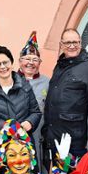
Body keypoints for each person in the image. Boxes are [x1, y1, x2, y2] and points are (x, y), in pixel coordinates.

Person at [42, 29, 88, 160]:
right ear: (61, 45)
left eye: (75, 42)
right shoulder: (60, 65)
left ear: (80, 43)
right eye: (68, 42)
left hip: (75, 142)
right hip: (54, 139)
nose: (72, 46)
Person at [0, 46, 42, 155]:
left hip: (22, 148)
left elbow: (36, 112)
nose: (3, 67)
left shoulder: (25, 86)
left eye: (5, 62)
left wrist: (30, 122)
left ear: (12, 63)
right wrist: (6, 126)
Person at [18, 31, 51, 167]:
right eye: (27, 59)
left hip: (39, 135)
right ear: (20, 61)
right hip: (17, 133)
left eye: (35, 60)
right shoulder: (11, 80)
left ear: (39, 63)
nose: (30, 63)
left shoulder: (47, 82)